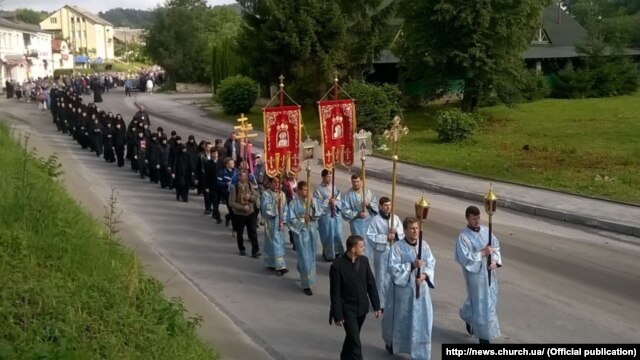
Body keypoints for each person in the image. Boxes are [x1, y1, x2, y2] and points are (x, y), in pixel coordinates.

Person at [382, 217, 436, 360]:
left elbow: (431, 263)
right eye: (412, 229)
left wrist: (424, 275)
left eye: (417, 228)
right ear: (405, 230)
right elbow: (392, 269)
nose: (415, 231)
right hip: (404, 293)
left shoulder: (424, 245)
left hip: (421, 291)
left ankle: (420, 352)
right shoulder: (397, 248)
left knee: (422, 321)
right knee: (403, 319)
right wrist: (411, 265)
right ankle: (396, 343)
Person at [454, 205, 502, 344]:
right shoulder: (463, 236)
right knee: (482, 302)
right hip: (475, 273)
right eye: (473, 218)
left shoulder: (487, 231)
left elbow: (496, 247)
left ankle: (467, 315)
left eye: (478, 218)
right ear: (467, 218)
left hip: (489, 272)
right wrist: (482, 253)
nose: (477, 221)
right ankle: (483, 336)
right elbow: (464, 258)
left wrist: (495, 261)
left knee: (489, 298)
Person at [329, 235, 382, 360]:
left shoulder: (364, 261)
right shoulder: (337, 266)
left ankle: (345, 357)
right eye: (361, 246)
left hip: (362, 308)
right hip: (347, 309)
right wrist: (338, 315)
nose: (364, 248)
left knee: (352, 337)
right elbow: (335, 293)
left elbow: (371, 284)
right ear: (353, 249)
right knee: (356, 342)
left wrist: (376, 306)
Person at [365, 196, 404, 311]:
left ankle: (392, 302)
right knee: (381, 277)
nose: (388, 208)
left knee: (393, 276)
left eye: (390, 205)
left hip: (394, 252)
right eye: (385, 206)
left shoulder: (395, 218)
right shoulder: (375, 220)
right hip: (382, 253)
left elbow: (402, 233)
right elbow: (370, 236)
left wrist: (396, 233)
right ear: (380, 207)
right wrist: (386, 237)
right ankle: (380, 303)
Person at [287, 181, 322, 295]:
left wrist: (312, 207)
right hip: (301, 232)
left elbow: (318, 214)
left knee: (311, 255)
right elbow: (290, 219)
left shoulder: (312, 201)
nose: (306, 192)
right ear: (299, 191)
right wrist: (302, 221)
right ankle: (306, 285)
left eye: (308, 190)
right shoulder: (293, 203)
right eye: (304, 190)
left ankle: (305, 273)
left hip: (311, 231)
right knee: (304, 257)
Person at [341, 173, 379, 258]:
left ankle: (367, 263)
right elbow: (344, 210)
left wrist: (369, 204)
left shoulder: (368, 192)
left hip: (368, 223)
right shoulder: (349, 195)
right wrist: (357, 214)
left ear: (361, 181)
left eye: (357, 181)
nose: (355, 184)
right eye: (353, 182)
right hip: (356, 224)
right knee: (358, 244)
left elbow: (376, 205)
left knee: (368, 245)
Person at [260, 176, 289, 275]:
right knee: (274, 242)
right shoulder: (266, 194)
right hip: (271, 222)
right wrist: (275, 201)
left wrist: (283, 220)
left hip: (279, 222)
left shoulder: (282, 194)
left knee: (279, 243)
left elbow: (285, 208)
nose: (277, 185)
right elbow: (265, 209)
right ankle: (280, 266)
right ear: (270, 183)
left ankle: (273, 263)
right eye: (275, 182)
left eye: (279, 183)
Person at [313, 169, 344, 261]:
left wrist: (336, 202)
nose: (330, 178)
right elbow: (317, 203)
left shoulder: (334, 187)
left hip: (335, 215)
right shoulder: (318, 190)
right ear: (323, 177)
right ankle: (328, 254)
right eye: (327, 176)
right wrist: (327, 201)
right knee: (327, 234)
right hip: (325, 216)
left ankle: (337, 252)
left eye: (331, 176)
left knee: (337, 233)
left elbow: (339, 197)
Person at [229, 169, 261, 257]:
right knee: (240, 232)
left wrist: (250, 197)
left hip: (250, 212)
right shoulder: (234, 188)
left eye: (245, 176)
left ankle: (255, 250)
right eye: (242, 176)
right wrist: (242, 207)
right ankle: (241, 248)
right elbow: (231, 202)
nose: (244, 178)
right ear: (239, 177)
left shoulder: (250, 186)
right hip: (240, 214)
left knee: (253, 231)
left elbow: (256, 196)